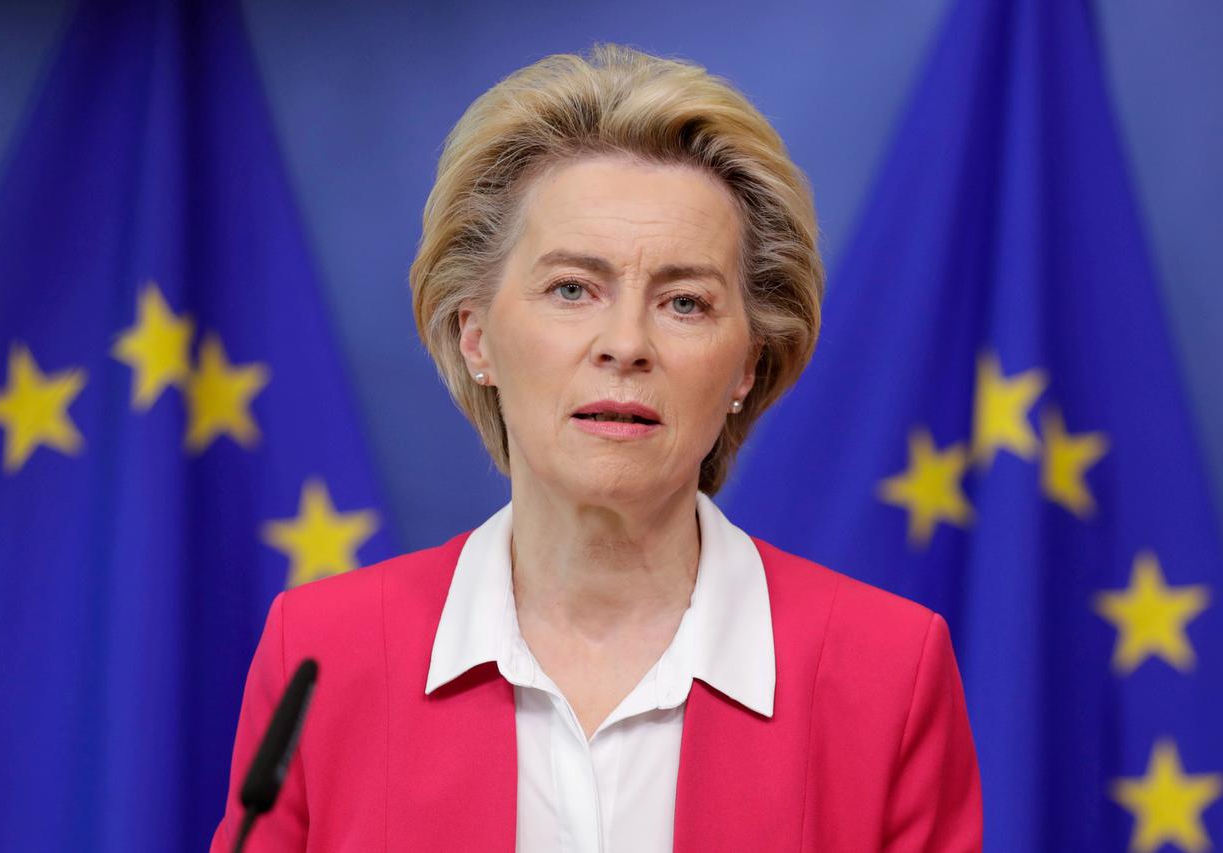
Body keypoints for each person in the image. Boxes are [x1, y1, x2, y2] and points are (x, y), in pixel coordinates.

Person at [211, 44, 981, 852]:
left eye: (685, 302)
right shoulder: (326, 655)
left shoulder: (886, 671)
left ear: (747, 364)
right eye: (572, 288)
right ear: (476, 336)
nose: (625, 343)